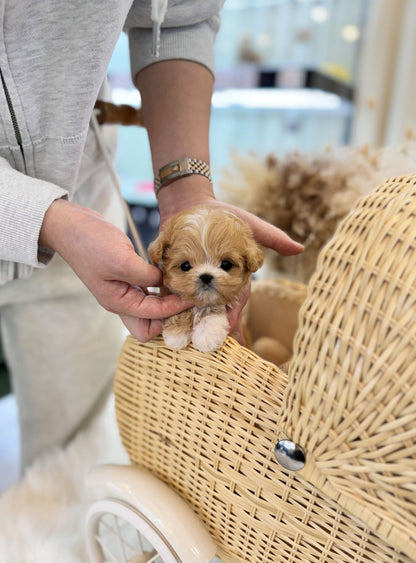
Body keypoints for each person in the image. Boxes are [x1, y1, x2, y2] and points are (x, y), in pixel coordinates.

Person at [0, 0, 303, 471]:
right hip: (71, 225)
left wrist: (186, 185)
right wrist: (43, 219)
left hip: (80, 215)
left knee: (73, 456)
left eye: (225, 265)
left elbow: (181, 15)